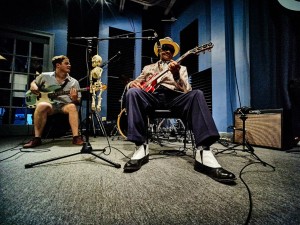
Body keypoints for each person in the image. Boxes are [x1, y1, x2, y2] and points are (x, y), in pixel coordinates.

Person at [124, 37, 236, 183]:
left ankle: (203, 151)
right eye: (165, 47)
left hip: (175, 98)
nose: (167, 51)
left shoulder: (181, 67)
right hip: (153, 98)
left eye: (171, 49)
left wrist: (176, 75)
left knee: (197, 94)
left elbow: (186, 90)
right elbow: (135, 83)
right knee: (132, 93)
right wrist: (131, 84)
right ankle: (140, 147)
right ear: (159, 50)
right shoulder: (148, 68)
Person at [23, 55, 84, 148]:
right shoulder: (44, 76)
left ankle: (76, 137)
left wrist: (75, 98)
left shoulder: (74, 82)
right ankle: (37, 138)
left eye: (69, 63)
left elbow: (78, 101)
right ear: (58, 65)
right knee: (41, 105)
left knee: (72, 106)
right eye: (66, 63)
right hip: (50, 105)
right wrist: (33, 85)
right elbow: (34, 82)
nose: (69, 65)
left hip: (64, 105)